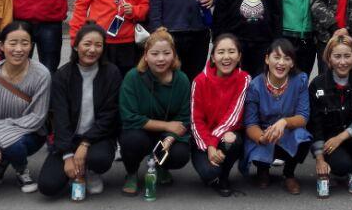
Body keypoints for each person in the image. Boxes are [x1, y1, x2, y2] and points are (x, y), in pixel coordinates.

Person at [37, 24, 122, 198]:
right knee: (48, 186)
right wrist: (67, 155)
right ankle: (75, 171)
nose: (92, 50)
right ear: (76, 46)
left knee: (99, 159)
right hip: (69, 138)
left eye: (98, 45)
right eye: (87, 44)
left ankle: (91, 171)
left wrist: (85, 143)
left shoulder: (111, 73)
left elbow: (109, 115)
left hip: (98, 137)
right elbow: (60, 118)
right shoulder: (62, 75)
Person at [0, 21, 51, 193]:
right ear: (1, 45)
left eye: (25, 43)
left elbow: (37, 118)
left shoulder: (42, 75)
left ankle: (21, 170)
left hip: (31, 133)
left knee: (14, 144)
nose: (19, 49)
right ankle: (3, 160)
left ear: (31, 45)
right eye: (13, 43)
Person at [118, 28, 192, 194]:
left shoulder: (182, 80)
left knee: (180, 154)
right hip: (140, 131)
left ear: (174, 55)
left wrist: (169, 139)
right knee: (131, 140)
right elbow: (129, 117)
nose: (161, 59)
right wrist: (166, 126)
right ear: (145, 55)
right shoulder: (133, 77)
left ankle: (160, 165)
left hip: (167, 134)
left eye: (166, 53)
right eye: (155, 53)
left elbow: (184, 118)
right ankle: (131, 173)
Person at [243, 38, 312, 194]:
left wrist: (284, 122)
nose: (281, 63)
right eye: (277, 57)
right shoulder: (255, 85)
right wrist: (262, 137)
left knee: (302, 136)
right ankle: (262, 170)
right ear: (267, 59)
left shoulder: (300, 80)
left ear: (292, 63)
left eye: (287, 58)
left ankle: (289, 174)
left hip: (287, 130)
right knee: (255, 140)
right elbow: (250, 124)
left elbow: (303, 116)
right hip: (264, 132)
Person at [308, 35, 352, 196]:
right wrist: (320, 159)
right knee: (341, 166)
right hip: (328, 140)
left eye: (347, 56)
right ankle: (336, 169)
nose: (342, 62)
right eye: (337, 56)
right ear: (329, 58)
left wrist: (341, 137)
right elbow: (315, 123)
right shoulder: (317, 84)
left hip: (351, 135)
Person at [190, 33, 252, 196]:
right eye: (221, 52)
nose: (226, 57)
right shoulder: (199, 81)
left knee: (233, 140)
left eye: (231, 51)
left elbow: (233, 117)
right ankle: (214, 174)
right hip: (203, 139)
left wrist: (214, 144)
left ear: (239, 56)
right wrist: (209, 146)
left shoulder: (244, 79)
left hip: (227, 134)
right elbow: (196, 120)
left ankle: (224, 177)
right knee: (209, 173)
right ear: (213, 57)